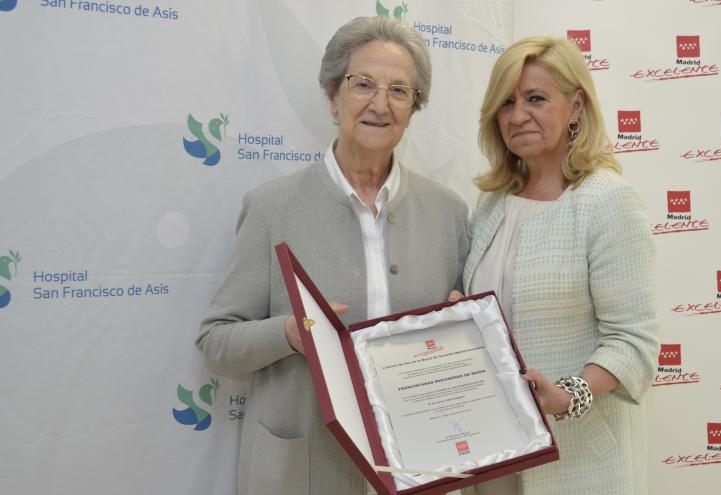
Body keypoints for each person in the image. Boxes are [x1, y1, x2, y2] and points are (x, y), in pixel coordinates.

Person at [196, 16, 469, 495]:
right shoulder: (270, 208)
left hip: (419, 469)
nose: (380, 104)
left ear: (413, 108)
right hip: (300, 472)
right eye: (363, 84)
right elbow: (216, 343)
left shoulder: (449, 213)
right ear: (332, 95)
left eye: (399, 91)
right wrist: (288, 334)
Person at [457, 37, 659, 495]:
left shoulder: (607, 201)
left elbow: (635, 341)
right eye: (506, 102)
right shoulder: (491, 204)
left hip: (579, 464)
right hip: (497, 455)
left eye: (535, 98)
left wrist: (571, 394)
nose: (517, 115)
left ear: (576, 106)